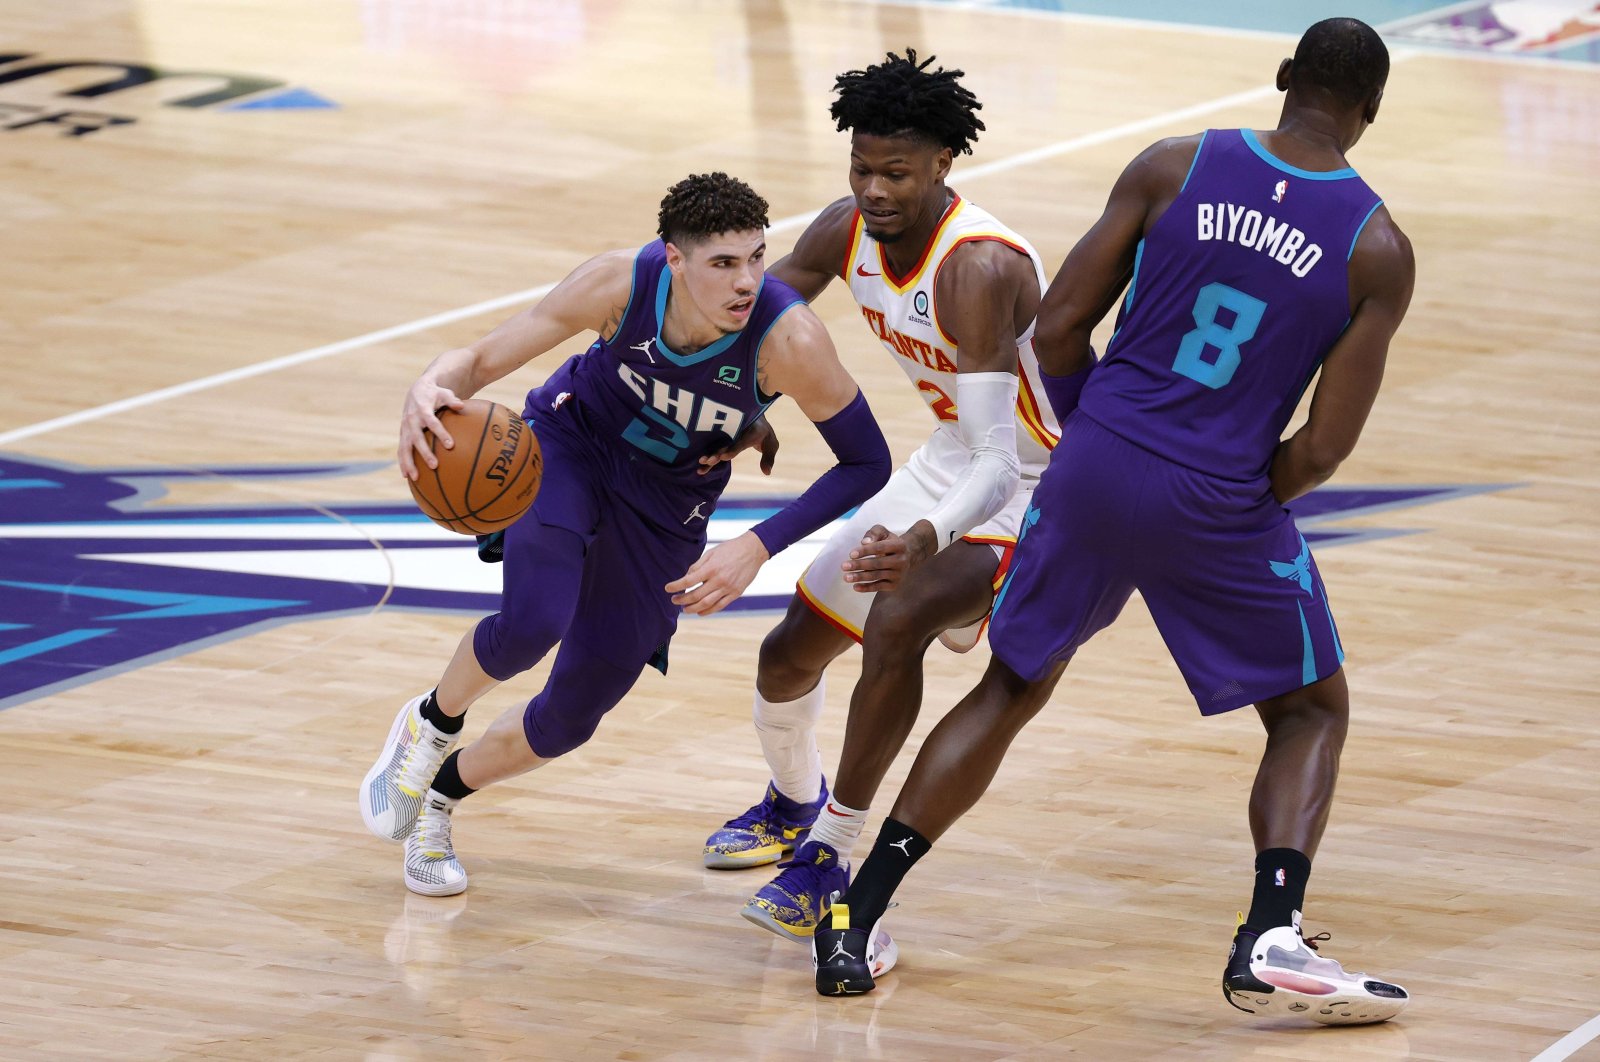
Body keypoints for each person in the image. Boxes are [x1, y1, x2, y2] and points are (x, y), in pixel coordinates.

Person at [812, 19, 1418, 1027]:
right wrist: (1231, 496)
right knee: (1308, 711)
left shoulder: (1174, 164)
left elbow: (1051, 331)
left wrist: (1103, 442)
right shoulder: (1376, 246)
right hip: (1220, 493)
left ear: (1280, 80)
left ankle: (853, 914)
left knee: (1011, 683)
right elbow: (1323, 449)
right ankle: (1271, 936)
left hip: (1093, 460)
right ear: (1372, 111)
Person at [359, 172, 892, 898]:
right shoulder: (619, 283)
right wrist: (428, 386)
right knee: (532, 623)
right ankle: (431, 723)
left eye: (757, 258)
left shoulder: (789, 339)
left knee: (572, 716)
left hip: (668, 502)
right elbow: (480, 361)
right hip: (574, 446)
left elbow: (868, 461)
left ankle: (441, 799)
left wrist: (757, 543)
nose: (746, 281)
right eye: (723, 263)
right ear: (674, 259)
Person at [697, 51, 1057, 950]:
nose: (874, 188)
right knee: (786, 658)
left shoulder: (975, 267)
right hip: (953, 457)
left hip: (1042, 482)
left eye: (896, 172)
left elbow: (1000, 458)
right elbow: (756, 324)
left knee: (894, 621)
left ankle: (833, 850)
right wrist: (748, 406)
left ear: (944, 164)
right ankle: (792, 802)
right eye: (862, 167)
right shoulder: (843, 227)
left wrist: (929, 538)